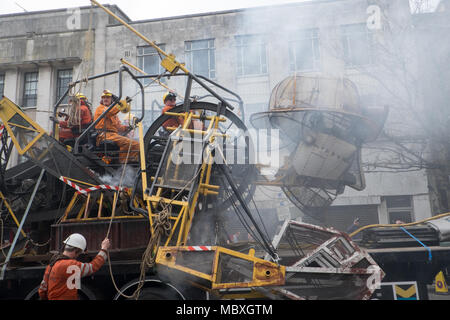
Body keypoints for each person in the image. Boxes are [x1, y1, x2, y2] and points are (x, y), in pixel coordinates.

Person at [38, 233, 110, 300]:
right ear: (76, 250)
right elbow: (92, 267)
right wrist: (104, 249)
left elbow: (42, 290)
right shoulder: (70, 265)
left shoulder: (51, 265)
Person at [94, 89, 140, 163]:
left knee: (136, 144)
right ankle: (124, 164)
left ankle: (128, 163)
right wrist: (123, 103)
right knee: (132, 144)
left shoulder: (114, 114)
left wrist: (127, 128)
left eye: (107, 97)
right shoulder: (100, 108)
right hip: (104, 135)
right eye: (104, 97)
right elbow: (109, 112)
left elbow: (119, 127)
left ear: (111, 99)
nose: (105, 99)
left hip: (113, 135)